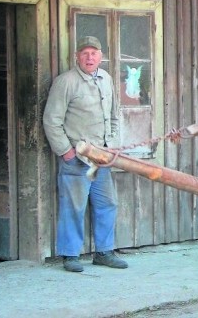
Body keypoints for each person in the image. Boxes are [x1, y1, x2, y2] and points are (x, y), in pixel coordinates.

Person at [43, 36, 128, 272]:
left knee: (107, 203)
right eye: (85, 53)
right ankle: (70, 256)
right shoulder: (66, 82)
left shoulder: (106, 79)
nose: (89, 57)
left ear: (101, 56)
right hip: (77, 159)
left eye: (94, 53)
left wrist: (112, 144)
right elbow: (51, 121)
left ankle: (104, 252)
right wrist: (66, 152)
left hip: (102, 158)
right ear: (77, 57)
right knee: (74, 206)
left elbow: (113, 115)